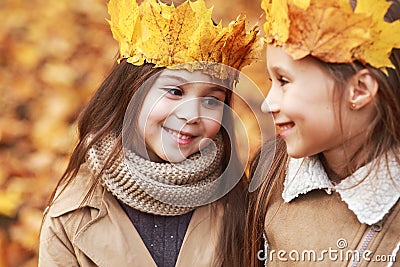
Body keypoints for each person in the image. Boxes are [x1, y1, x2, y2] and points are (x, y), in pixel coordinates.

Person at [39, 0, 262, 266]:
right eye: (175, 92)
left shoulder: (239, 205)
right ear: (130, 92)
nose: (191, 115)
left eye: (212, 100)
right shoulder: (72, 213)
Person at [246, 0, 400, 266]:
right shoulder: (270, 173)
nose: (267, 104)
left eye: (284, 81)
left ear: (360, 89)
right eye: (272, 81)